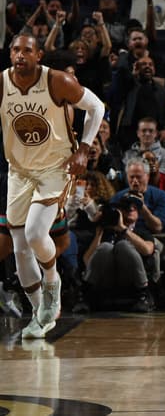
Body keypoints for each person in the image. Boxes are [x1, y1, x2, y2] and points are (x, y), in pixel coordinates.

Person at [1, 33, 105, 338]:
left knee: (35, 233)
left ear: (39, 55)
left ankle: (51, 280)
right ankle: (40, 315)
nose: (20, 55)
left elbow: (97, 107)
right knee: (19, 248)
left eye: (27, 50)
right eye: (15, 50)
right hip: (18, 171)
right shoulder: (2, 84)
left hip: (55, 168)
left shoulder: (57, 82)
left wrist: (84, 149)